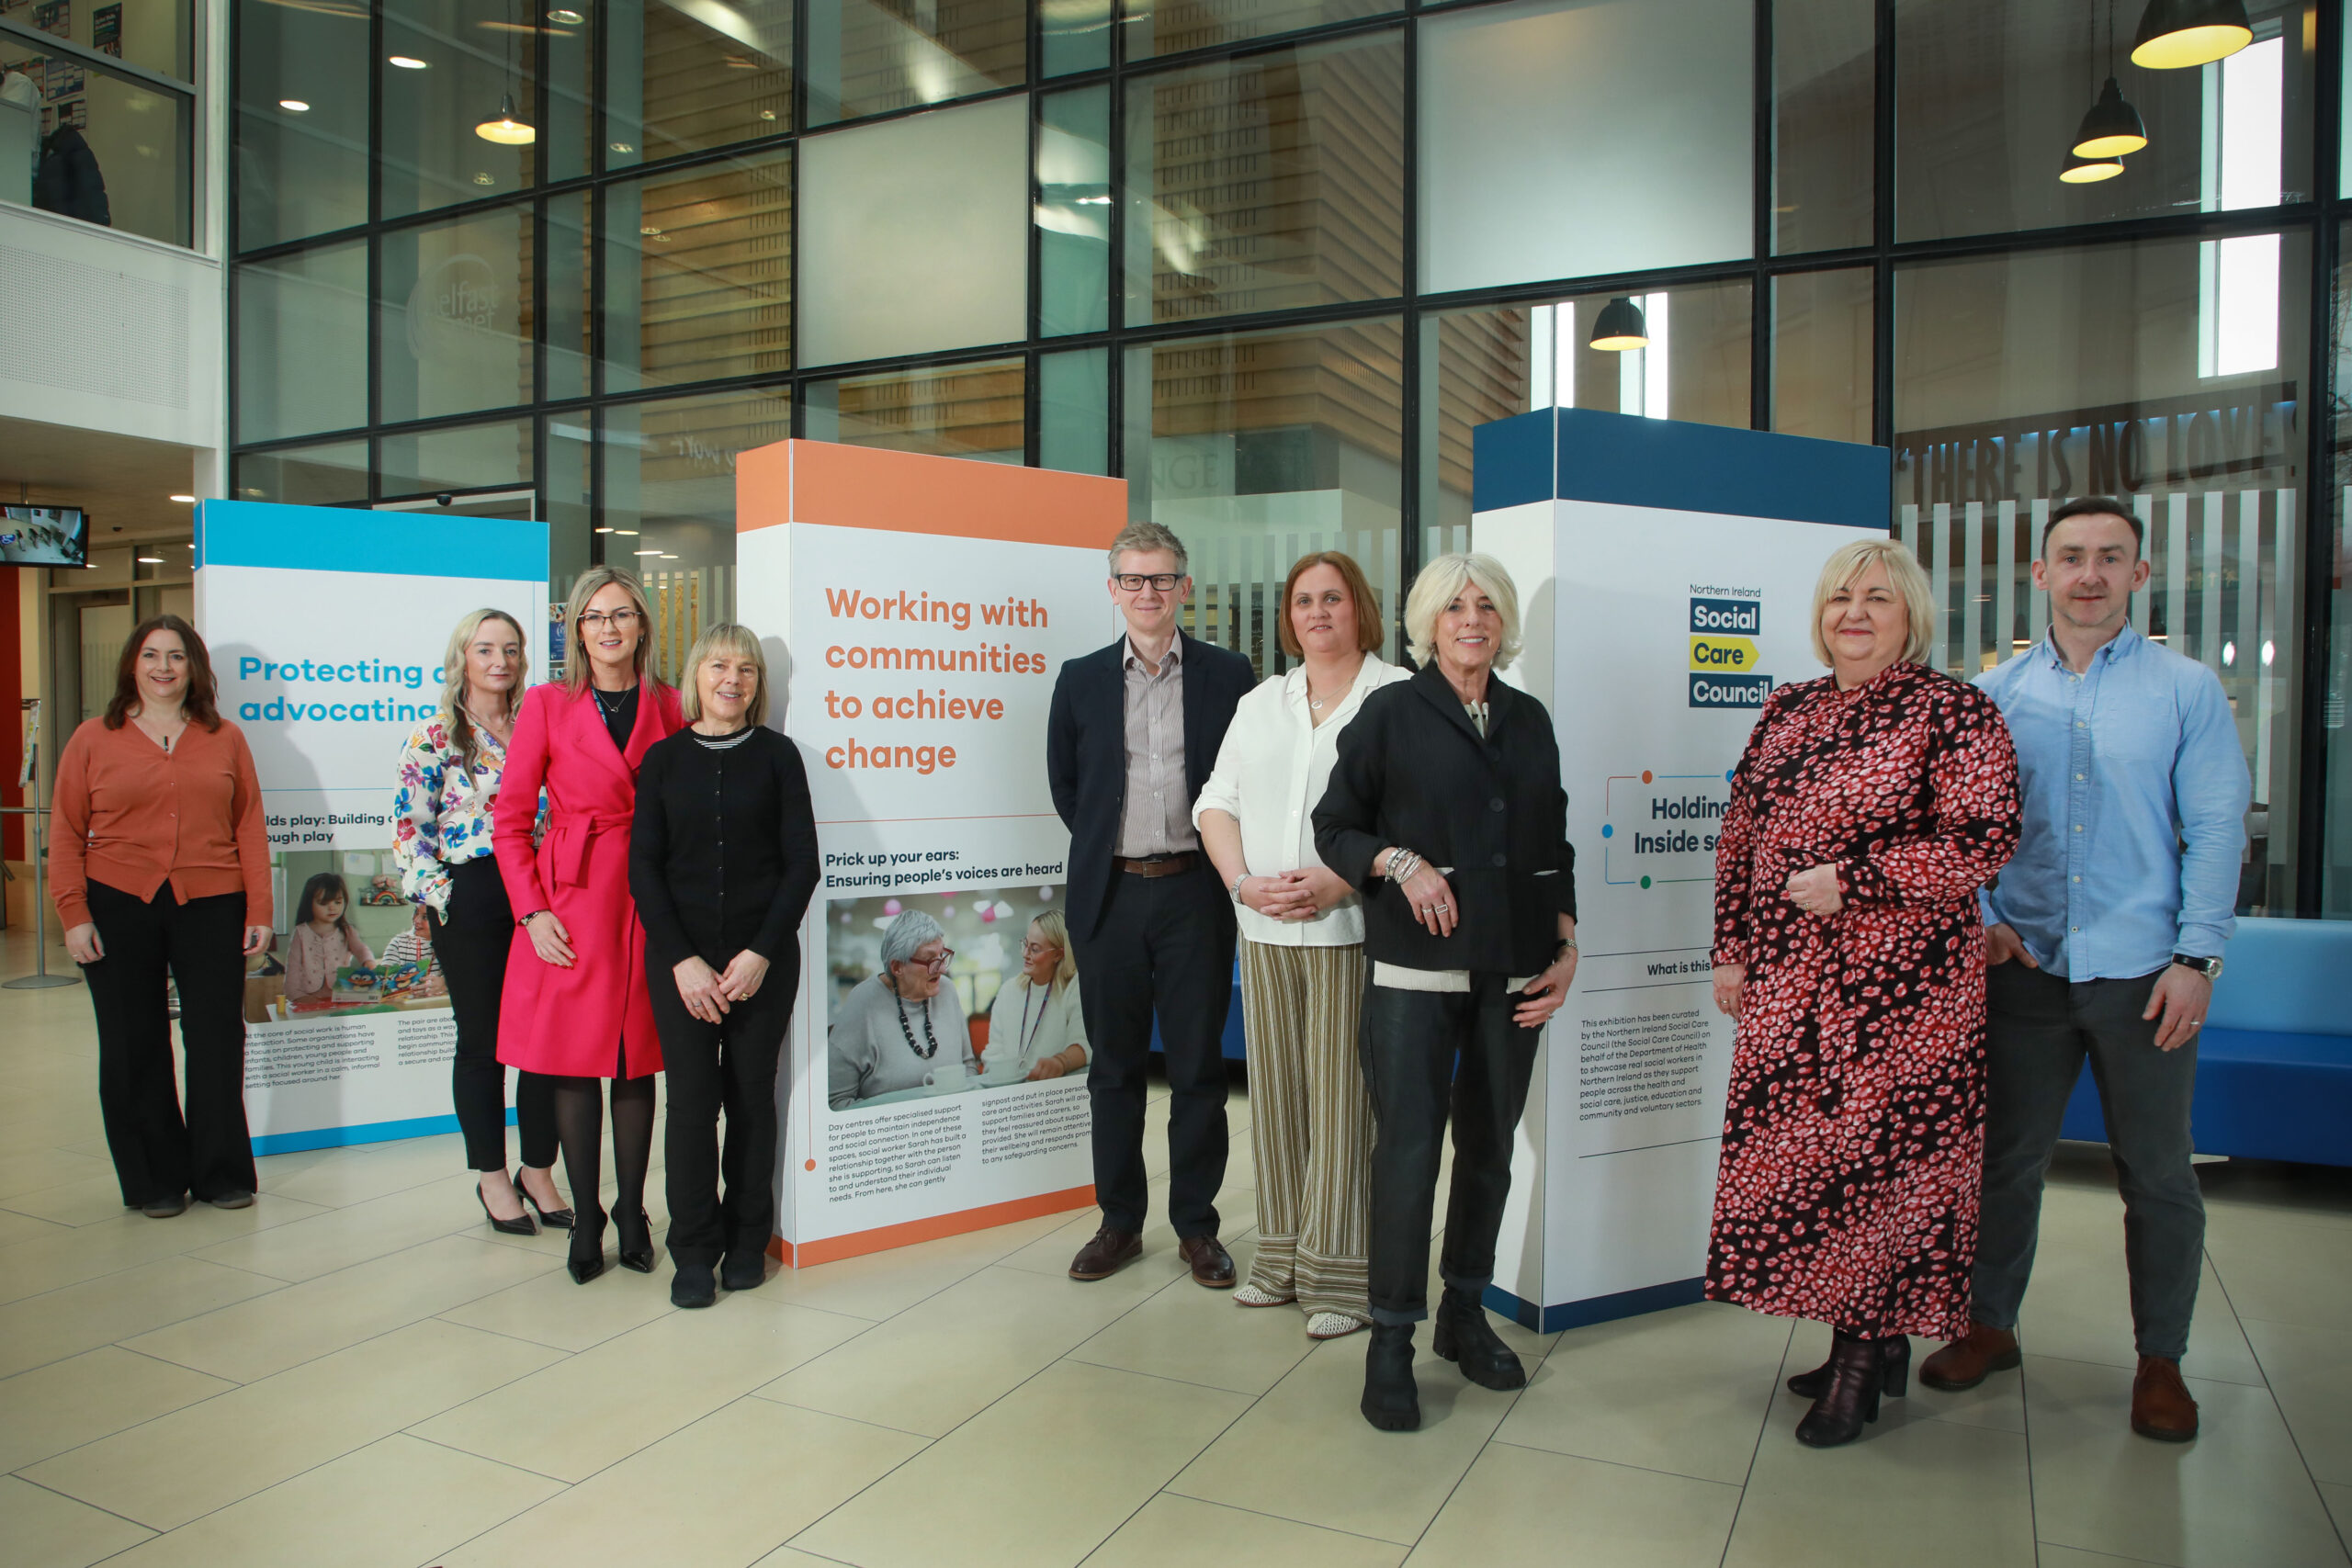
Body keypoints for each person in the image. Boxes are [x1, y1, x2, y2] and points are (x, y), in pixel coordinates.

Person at [1919, 498, 2251, 1444]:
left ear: (2139, 576)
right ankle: (1987, 1326)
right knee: (2003, 1163)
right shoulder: (1993, 696)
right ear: (2040, 574)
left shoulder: (2184, 691)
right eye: (2071, 557)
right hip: (2020, 967)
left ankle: (2160, 1359)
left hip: (2143, 972)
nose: (2090, 574)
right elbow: (1958, 831)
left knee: (2155, 1175)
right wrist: (1979, 918)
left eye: (2111, 558)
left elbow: (2218, 830)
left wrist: (2197, 957)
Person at [1707, 536, 2021, 1449]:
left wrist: (1858, 879)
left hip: (1905, 998)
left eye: (1877, 598)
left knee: (1880, 1172)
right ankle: (1864, 1340)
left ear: (1910, 615)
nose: (1855, 611)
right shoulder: (1787, 708)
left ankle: (1858, 1360)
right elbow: (1739, 836)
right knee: (1808, 1168)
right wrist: (1729, 949)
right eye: (1842, 596)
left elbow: (1983, 839)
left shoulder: (1954, 712)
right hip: (1788, 984)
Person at [1314, 552, 1580, 1432]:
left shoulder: (1530, 720)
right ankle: (1390, 1337)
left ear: (1504, 622)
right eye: (1456, 606)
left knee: (1492, 1150)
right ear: (1428, 622)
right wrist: (1400, 861)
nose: (1473, 619)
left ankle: (1463, 1312)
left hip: (1515, 968)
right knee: (1411, 1153)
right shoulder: (1391, 712)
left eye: (1487, 605)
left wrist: (1567, 943)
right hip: (1414, 975)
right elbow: (1336, 825)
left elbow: (1556, 843)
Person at [1197, 549, 1406, 1342]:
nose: (1317, 612)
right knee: (1279, 1101)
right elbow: (1215, 801)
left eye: (1333, 598)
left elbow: (1411, 817)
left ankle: (1341, 1276)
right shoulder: (1260, 702)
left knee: (1344, 1103)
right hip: (1264, 927)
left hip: (1351, 931)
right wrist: (1241, 882)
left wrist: (1340, 880)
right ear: (1289, 617)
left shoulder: (1395, 697)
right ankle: (1279, 1258)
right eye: (1303, 601)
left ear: (1361, 608)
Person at [1046, 521, 1256, 1289]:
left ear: (1184, 587)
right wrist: (1120, 845)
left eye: (1161, 578)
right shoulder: (1080, 679)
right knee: (1115, 1069)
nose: (1147, 592)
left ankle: (1197, 1228)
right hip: (1108, 897)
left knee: (1199, 1068)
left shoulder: (1230, 674)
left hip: (1195, 894)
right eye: (1133, 579)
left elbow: (1244, 781)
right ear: (1113, 589)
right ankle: (1120, 1221)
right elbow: (1069, 787)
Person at [494, 566, 682, 1283]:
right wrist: (532, 910)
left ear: (642, 625)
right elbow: (510, 821)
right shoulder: (546, 703)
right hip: (569, 897)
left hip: (649, 895)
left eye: (622, 614)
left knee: (638, 1055)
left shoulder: (671, 700)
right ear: (576, 630)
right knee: (574, 1060)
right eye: (593, 616)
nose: (608, 628)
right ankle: (586, 1216)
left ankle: (632, 1211)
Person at [51, 615, 273, 1217]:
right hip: (117, 901)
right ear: (132, 664)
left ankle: (221, 1172)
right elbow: (67, 831)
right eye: (151, 655)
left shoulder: (224, 737)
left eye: (176, 656)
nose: (163, 667)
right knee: (132, 1041)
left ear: (193, 668)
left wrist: (260, 906)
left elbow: (249, 823)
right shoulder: (93, 738)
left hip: (212, 901)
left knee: (216, 1037)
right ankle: (153, 1179)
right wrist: (74, 912)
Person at [632, 623, 820, 1308]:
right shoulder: (661, 760)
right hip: (680, 966)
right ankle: (693, 1249)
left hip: (761, 964)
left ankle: (746, 1242)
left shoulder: (779, 757)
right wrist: (682, 959)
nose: (732, 679)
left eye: (745, 668)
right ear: (696, 677)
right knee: (689, 1107)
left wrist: (760, 953)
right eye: (718, 665)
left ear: (758, 684)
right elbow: (643, 868)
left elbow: (802, 863)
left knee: (749, 1101)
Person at [392, 608, 564, 1237]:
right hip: (471, 894)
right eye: (486, 648)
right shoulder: (433, 736)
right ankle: (492, 1175)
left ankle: (538, 1169)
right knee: (485, 1039)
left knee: (546, 1038)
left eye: (512, 649)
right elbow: (410, 832)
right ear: (462, 656)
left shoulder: (539, 725)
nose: (501, 660)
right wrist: (446, 896)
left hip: (540, 894)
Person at [830, 910, 978, 1108]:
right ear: (898, 967)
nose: (942, 969)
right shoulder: (862, 1003)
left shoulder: (947, 990)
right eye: (930, 959)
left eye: (942, 955)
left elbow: (968, 1067)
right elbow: (836, 1102)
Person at [981, 910, 1089, 1085]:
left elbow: (1083, 1043)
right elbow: (993, 1054)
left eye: (1035, 949)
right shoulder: (1008, 991)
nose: (1025, 953)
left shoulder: (1075, 987)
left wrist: (1060, 1062)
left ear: (1058, 954)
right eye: (1025, 943)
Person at [280, 873, 374, 1007]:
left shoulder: (347, 930)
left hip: (341, 995)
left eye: (338, 902)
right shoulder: (301, 932)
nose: (332, 907)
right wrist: (295, 995)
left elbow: (361, 949)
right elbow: (293, 967)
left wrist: (368, 961)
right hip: (307, 996)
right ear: (309, 903)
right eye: (323, 903)